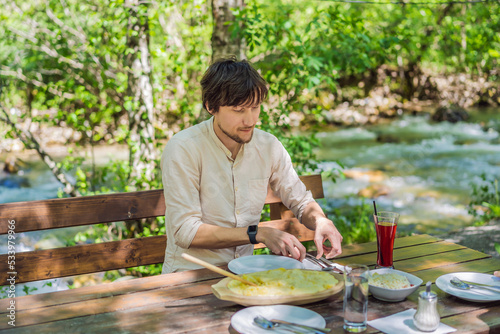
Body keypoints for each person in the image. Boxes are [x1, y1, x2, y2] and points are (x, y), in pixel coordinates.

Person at [160, 56, 343, 273]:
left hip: (247, 272)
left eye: (255, 107)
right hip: (190, 276)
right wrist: (257, 233)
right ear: (211, 106)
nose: (250, 120)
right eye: (238, 110)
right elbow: (185, 231)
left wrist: (321, 221)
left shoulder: (268, 146)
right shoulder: (184, 148)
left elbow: (301, 201)